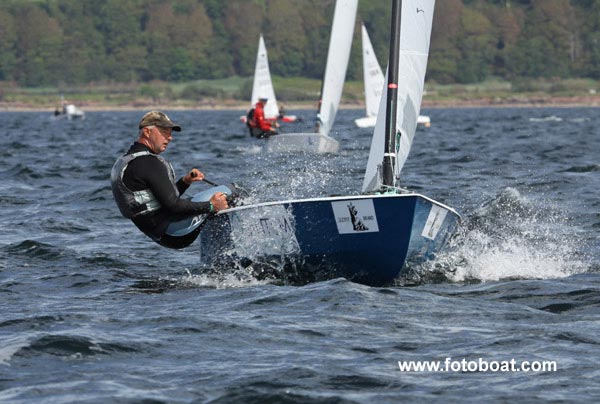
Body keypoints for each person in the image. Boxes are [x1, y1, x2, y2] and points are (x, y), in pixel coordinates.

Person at [111, 111, 229, 249]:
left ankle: (222, 259)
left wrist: (185, 181)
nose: (170, 137)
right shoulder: (148, 163)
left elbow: (160, 199)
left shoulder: (126, 161)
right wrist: (211, 206)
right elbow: (174, 206)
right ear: (147, 132)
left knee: (218, 201)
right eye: (164, 132)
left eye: (170, 133)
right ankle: (230, 258)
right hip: (174, 231)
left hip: (160, 234)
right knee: (230, 192)